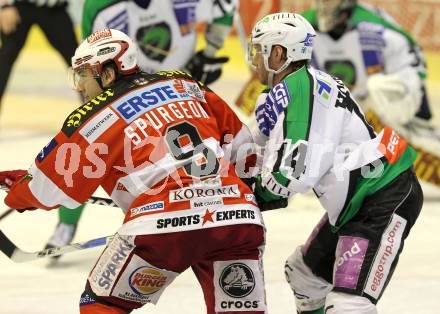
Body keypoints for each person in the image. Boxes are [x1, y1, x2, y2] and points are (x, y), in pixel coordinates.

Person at [0, 28, 267, 314]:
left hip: (162, 225)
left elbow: (48, 189)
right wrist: (236, 197)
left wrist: (18, 192)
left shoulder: (95, 116)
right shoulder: (186, 84)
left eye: (84, 75)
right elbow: (244, 150)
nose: (79, 87)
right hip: (238, 218)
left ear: (108, 72)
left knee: (101, 304)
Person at [248, 12, 423, 313]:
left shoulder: (301, 91)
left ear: (277, 53)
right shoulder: (294, 87)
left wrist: (250, 193)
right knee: (305, 274)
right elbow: (251, 146)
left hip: (382, 197)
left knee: (348, 304)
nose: (253, 58)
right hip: (359, 200)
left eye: (258, 49)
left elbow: (291, 176)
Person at [48, 0, 238, 252]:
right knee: (92, 148)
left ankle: (197, 203)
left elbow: (226, 7)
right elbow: (90, 60)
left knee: (192, 143)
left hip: (175, 85)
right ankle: (66, 224)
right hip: (125, 93)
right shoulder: (99, 6)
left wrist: (210, 52)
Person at [236, 0, 440, 188]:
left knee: (379, 88)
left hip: (375, 117)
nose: (324, 3)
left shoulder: (376, 27)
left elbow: (413, 75)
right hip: (327, 116)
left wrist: (388, 104)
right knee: (264, 102)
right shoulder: (301, 28)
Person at [0, 0, 78, 114]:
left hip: (54, 6)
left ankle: (97, 114)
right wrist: (5, 5)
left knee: (77, 60)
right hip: (17, 6)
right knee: (5, 59)